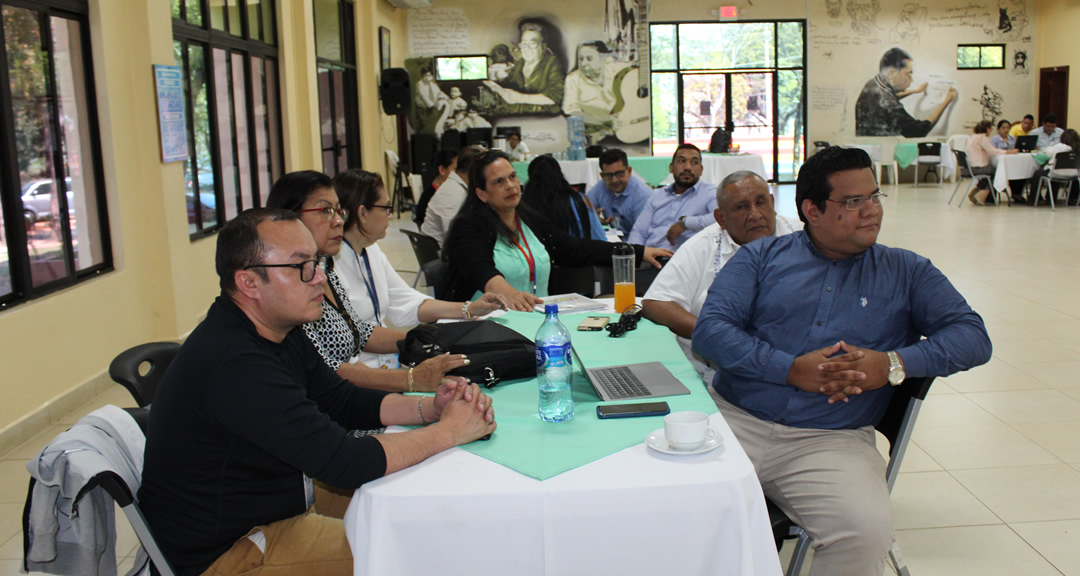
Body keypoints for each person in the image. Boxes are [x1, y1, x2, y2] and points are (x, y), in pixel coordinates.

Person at [138, 207, 496, 576]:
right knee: (415, 551)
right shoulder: (236, 362)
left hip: (275, 505)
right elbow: (345, 463)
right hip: (230, 551)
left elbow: (340, 400)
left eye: (318, 262)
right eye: (302, 267)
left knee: (424, 510)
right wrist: (450, 432)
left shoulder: (277, 329)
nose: (320, 279)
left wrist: (429, 410)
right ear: (248, 283)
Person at [691, 147, 991, 576]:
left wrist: (891, 363)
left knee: (865, 532)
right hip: (736, 420)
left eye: (874, 196)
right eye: (853, 202)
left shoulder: (907, 272)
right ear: (811, 209)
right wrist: (790, 369)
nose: (871, 211)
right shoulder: (759, 259)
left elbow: (973, 337)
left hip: (830, 440)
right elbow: (711, 332)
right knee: (661, 505)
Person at [266, 171, 475, 391]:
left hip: (369, 382)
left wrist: (432, 339)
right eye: (326, 210)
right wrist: (413, 379)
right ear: (289, 217)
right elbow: (326, 370)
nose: (338, 221)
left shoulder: (324, 265)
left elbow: (360, 331)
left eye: (338, 211)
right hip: (342, 399)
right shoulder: (287, 286)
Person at [442, 150, 671, 310]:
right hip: (486, 320)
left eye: (512, 177)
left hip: (533, 317)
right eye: (499, 182)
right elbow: (481, 270)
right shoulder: (469, 227)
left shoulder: (528, 220)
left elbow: (575, 248)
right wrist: (510, 295)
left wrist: (636, 252)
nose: (511, 185)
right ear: (481, 193)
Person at [642, 171, 799, 383]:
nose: (755, 214)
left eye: (761, 202)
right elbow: (656, 302)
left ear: (772, 202)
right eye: (741, 207)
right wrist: (718, 336)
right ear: (721, 218)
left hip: (793, 370)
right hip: (714, 380)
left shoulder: (802, 236)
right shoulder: (702, 246)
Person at [333, 169, 507, 359]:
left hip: (388, 361)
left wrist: (469, 309)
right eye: (386, 208)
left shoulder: (371, 250)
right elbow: (352, 341)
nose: (390, 216)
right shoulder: (330, 267)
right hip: (361, 371)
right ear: (363, 213)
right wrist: (427, 339)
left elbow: (406, 301)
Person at [627, 144, 718, 250]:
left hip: (684, 260)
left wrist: (685, 223)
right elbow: (639, 231)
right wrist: (635, 256)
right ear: (671, 168)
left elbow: (720, 218)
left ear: (701, 170)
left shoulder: (710, 193)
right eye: (681, 161)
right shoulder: (658, 195)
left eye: (694, 162)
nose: (688, 167)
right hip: (651, 257)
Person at [855, 47, 957, 137]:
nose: (911, 80)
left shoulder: (873, 84)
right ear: (891, 74)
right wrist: (946, 101)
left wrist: (916, 91)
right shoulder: (890, 105)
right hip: (882, 149)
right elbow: (920, 130)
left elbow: (890, 96)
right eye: (908, 75)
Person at [483, 21, 565, 115]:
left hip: (541, 117)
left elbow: (556, 96)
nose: (527, 49)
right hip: (515, 115)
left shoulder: (552, 64)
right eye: (524, 44)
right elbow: (509, 84)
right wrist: (493, 84)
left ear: (543, 46)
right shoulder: (520, 63)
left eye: (532, 44)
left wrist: (520, 98)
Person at [521, 154, 607, 241]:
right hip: (577, 253)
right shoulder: (579, 200)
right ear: (559, 174)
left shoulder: (524, 205)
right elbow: (600, 237)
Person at [423, 145, 484, 247]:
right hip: (443, 255)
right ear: (474, 172)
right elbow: (456, 235)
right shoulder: (451, 194)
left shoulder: (456, 186)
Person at [562, 41, 621, 141]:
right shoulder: (573, 79)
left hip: (625, 128)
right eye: (581, 59)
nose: (584, 63)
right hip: (593, 134)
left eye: (589, 58)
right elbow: (572, 111)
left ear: (604, 59)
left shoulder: (616, 72)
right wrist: (602, 121)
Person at [586, 148, 652, 237]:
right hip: (615, 240)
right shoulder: (601, 187)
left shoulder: (642, 196)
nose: (614, 180)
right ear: (602, 176)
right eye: (608, 175)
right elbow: (582, 210)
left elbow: (642, 235)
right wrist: (592, 218)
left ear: (629, 171)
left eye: (619, 173)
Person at [965, 120, 1018, 206]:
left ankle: (975, 192)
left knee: (991, 172)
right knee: (996, 172)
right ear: (988, 129)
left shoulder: (973, 137)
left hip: (970, 167)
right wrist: (1009, 152)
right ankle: (982, 196)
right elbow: (992, 151)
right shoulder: (982, 138)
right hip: (978, 167)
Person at [1026, 128, 1080, 205]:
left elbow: (1047, 153)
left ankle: (1033, 199)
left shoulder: (1060, 147)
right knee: (1057, 175)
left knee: (1038, 174)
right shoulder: (1078, 150)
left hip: (1056, 173)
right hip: (1073, 174)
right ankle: (1072, 198)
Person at [414, 148, 458, 227]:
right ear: (442, 170)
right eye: (455, 169)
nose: (459, 173)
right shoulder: (433, 196)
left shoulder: (443, 191)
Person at [413, 67, 447, 133]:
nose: (427, 77)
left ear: (432, 76)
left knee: (431, 124)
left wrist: (445, 97)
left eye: (429, 75)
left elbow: (439, 93)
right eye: (425, 75)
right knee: (423, 123)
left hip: (432, 107)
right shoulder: (420, 84)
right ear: (422, 76)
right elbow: (423, 96)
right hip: (422, 108)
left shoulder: (433, 85)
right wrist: (431, 105)